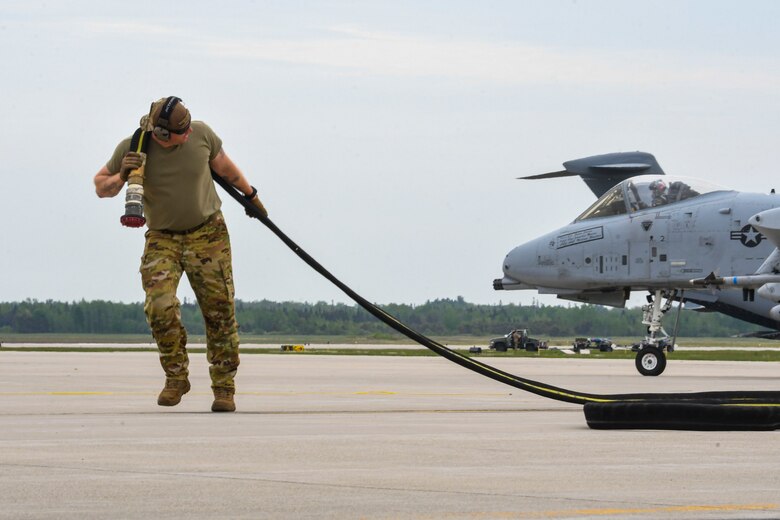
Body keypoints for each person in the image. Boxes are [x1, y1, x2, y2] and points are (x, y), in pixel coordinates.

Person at [93, 96, 267, 412]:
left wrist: (251, 196)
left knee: (220, 312)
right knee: (159, 306)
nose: (186, 135)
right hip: (163, 238)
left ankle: (224, 388)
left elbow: (225, 169)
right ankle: (176, 377)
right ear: (160, 133)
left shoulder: (201, 134)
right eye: (179, 133)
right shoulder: (134, 147)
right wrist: (122, 175)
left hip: (207, 233)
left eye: (187, 129)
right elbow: (100, 186)